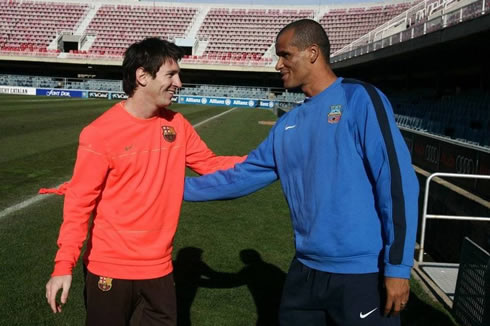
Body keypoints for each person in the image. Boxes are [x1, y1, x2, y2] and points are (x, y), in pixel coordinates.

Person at [184, 19, 419, 326]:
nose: (278, 65)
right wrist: (171, 188)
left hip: (363, 273)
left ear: (311, 53)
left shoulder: (359, 99)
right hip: (305, 271)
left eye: (285, 55)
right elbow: (240, 176)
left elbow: (396, 182)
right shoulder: (287, 125)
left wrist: (398, 267)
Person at [44, 37, 245, 326]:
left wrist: (266, 159)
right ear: (142, 76)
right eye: (171, 74)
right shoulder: (99, 133)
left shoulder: (177, 125)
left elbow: (211, 165)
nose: (180, 82)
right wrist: (63, 265)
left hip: (159, 272)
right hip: (109, 270)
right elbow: (79, 204)